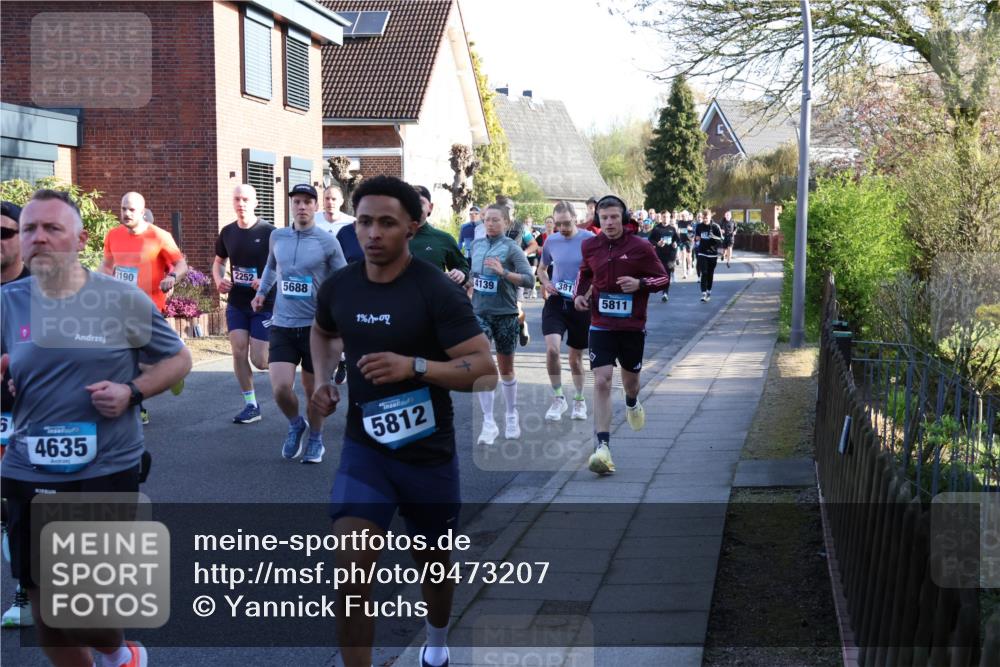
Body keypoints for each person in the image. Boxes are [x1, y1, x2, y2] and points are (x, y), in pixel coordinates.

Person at [309, 175, 497, 667]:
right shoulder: (340, 286)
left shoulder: (437, 292)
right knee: (350, 572)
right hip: (365, 450)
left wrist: (414, 367)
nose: (373, 233)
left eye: (387, 223)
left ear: (412, 227)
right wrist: (325, 381)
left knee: (433, 568)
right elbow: (324, 332)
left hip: (428, 455)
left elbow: (484, 370)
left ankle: (436, 642)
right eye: (365, 221)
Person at [1, 188, 191, 667]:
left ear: (80, 239)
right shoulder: (8, 302)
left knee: (84, 602)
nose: (38, 238)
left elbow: (179, 359)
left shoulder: (120, 300)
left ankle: (118, 651)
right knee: (44, 605)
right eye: (29, 230)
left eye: (52, 229)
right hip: (28, 464)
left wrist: (132, 393)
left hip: (105, 462)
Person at [573, 195, 669, 475]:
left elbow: (663, 279)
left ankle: (631, 402)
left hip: (631, 327)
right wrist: (579, 295)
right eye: (605, 218)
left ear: (623, 219)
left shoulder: (640, 246)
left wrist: (640, 284)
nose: (610, 222)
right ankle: (602, 448)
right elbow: (585, 273)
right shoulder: (590, 245)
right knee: (602, 381)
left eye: (615, 217)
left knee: (631, 384)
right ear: (598, 220)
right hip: (600, 324)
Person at [252, 184, 346, 463]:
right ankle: (296, 424)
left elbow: (342, 278)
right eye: (297, 202)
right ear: (291, 205)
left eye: (307, 202)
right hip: (282, 323)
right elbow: (271, 267)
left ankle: (316, 438)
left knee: (313, 391)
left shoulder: (328, 242)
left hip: (315, 328)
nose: (302, 207)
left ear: (316, 207)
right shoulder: (277, 237)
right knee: (280, 388)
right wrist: (261, 293)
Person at [100, 191, 188, 424]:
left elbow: (181, 264)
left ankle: (171, 368)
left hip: (149, 306)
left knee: (141, 359)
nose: (126, 213)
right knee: (123, 356)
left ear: (142, 212)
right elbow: (107, 266)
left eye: (131, 209)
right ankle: (136, 405)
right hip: (120, 307)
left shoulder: (159, 236)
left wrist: (172, 277)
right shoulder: (113, 235)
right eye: (123, 209)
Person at [469, 203, 535, 445]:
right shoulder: (476, 245)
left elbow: (529, 280)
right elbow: (473, 276)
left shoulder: (512, 248)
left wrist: (504, 273)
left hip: (506, 314)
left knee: (505, 369)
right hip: (479, 313)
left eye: (496, 220)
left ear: (506, 223)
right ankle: (488, 422)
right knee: (482, 365)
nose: (490, 223)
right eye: (487, 219)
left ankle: (510, 415)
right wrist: (463, 282)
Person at [212, 184, 275, 424]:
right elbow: (219, 261)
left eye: (246, 199)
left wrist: (265, 280)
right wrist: (219, 279)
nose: (241, 204)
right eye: (237, 199)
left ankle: (287, 356)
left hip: (264, 303)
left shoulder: (270, 232)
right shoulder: (227, 232)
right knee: (238, 350)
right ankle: (251, 405)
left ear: (256, 202)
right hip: (238, 301)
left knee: (260, 361)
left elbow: (282, 264)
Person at [1, 201, 31, 629]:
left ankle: (24, 591)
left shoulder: (41, 289)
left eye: (5, 232)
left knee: (19, 501)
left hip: (30, 413)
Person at [537, 201, 593, 421]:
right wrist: (546, 282)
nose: (562, 228)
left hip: (581, 304)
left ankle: (579, 400)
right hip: (557, 301)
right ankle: (558, 398)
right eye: (558, 224)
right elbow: (541, 268)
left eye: (566, 223)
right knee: (552, 350)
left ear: (575, 218)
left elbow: (598, 272)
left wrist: (587, 295)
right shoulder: (552, 240)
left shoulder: (589, 240)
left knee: (575, 359)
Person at [495, 196, 537, 345]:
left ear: (512, 211)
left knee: (515, 308)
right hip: (497, 273)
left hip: (517, 273)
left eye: (507, 210)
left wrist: (523, 254)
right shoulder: (495, 225)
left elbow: (534, 244)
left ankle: (521, 325)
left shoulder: (521, 227)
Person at [410, 185, 469, 287]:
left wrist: (461, 274)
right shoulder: (388, 239)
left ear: (430, 207)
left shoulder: (444, 239)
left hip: (434, 301)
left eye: (420, 202)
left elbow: (462, 267)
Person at [694, 208, 724, 302]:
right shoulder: (699, 226)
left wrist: (713, 237)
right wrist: (696, 238)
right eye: (703, 218)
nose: (705, 219)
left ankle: (709, 290)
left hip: (712, 253)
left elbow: (721, 240)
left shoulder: (715, 227)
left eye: (706, 218)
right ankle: (703, 293)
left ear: (710, 217)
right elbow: (696, 237)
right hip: (702, 252)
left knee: (710, 273)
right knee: (704, 272)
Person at [648, 212, 679, 303]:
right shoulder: (657, 228)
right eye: (664, 217)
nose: (665, 218)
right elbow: (650, 240)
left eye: (667, 217)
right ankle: (661, 288)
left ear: (670, 218)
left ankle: (665, 293)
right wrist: (657, 243)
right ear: (661, 217)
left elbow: (677, 239)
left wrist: (675, 243)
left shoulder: (672, 229)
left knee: (667, 273)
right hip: (660, 254)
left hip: (670, 255)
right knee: (661, 273)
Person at [676, 210, 693, 279]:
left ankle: (690, 266)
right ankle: (684, 273)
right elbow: (678, 231)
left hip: (689, 241)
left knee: (689, 257)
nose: (684, 217)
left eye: (685, 215)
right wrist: (678, 232)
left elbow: (694, 231)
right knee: (683, 256)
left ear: (688, 216)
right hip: (682, 241)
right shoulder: (680, 222)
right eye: (682, 216)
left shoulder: (690, 222)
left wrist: (690, 229)